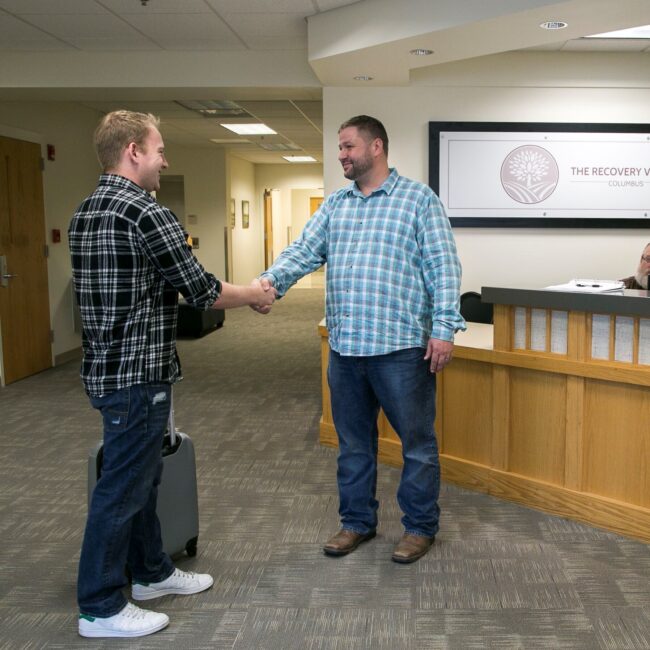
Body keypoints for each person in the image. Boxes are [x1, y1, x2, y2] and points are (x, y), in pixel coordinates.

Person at [69, 110, 275, 638]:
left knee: (141, 479)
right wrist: (255, 294)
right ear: (133, 150)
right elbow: (202, 290)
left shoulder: (86, 210)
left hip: (107, 371)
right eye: (160, 150)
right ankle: (99, 605)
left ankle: (152, 574)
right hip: (138, 376)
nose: (166, 160)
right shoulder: (144, 211)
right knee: (121, 489)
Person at [259, 115, 464, 564]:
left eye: (349, 146)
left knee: (418, 447)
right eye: (340, 148)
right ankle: (357, 523)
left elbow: (444, 269)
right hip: (347, 350)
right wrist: (269, 284)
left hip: (401, 351)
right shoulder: (337, 204)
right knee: (352, 445)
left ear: (376, 147)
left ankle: (419, 528)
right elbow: (304, 251)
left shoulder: (418, 200)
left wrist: (444, 328)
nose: (342, 155)